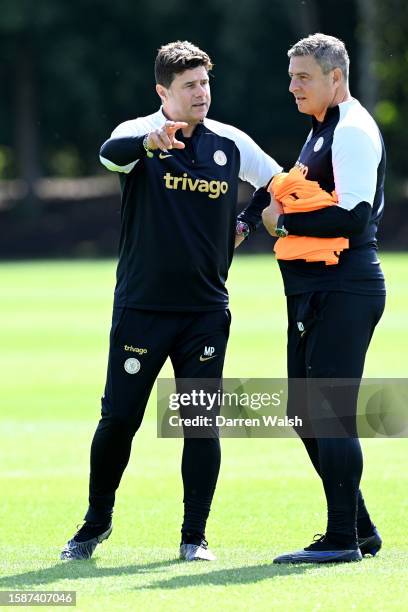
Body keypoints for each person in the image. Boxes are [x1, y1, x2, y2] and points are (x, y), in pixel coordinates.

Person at [60, 40, 282, 561]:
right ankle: (94, 525)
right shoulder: (137, 134)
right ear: (164, 91)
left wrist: (247, 223)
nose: (201, 93)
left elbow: (278, 182)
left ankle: (194, 536)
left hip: (205, 310)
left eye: (205, 83)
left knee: (200, 424)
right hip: (142, 307)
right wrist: (149, 144)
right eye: (189, 86)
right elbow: (108, 155)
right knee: (120, 420)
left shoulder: (230, 143)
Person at [262, 33, 386, 564]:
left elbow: (354, 217)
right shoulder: (321, 129)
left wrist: (283, 219)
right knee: (301, 410)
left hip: (347, 285)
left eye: (303, 76)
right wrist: (253, 217)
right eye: (291, 76)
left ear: (336, 78)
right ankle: (358, 528)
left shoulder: (352, 129)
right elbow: (288, 188)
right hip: (316, 286)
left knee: (327, 412)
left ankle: (341, 540)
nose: (293, 86)